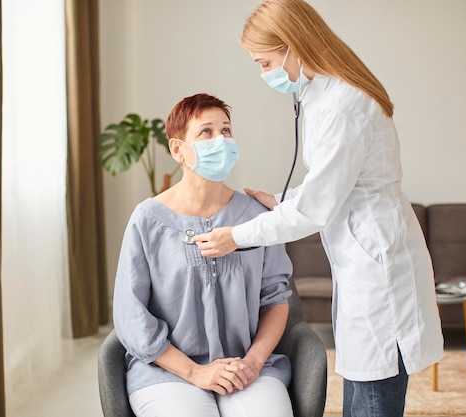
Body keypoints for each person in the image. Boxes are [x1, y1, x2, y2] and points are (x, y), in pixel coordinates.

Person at [192, 1, 444, 416]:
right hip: (363, 253)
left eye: (265, 62)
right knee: (365, 381)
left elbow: (318, 209)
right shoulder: (321, 93)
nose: (264, 74)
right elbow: (334, 184)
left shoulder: (343, 104)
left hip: (377, 262)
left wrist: (234, 237)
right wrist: (283, 201)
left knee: (373, 392)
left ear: (293, 45)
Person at [113, 93, 295, 417]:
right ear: (178, 150)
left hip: (246, 368)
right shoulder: (147, 220)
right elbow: (131, 317)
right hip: (168, 372)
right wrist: (196, 372)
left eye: (226, 130)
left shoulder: (257, 217)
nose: (220, 139)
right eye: (206, 132)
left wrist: (252, 363)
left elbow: (276, 301)